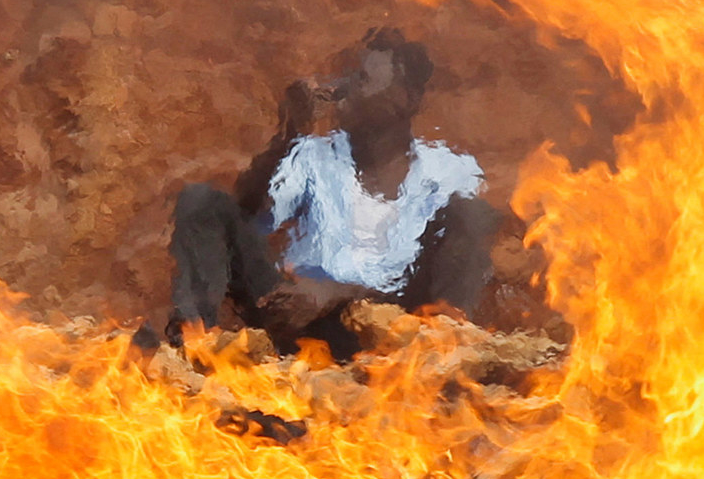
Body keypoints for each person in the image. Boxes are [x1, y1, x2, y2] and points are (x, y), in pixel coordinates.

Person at [167, 27, 499, 354]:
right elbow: (249, 214)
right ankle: (194, 348)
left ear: (405, 98)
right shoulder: (315, 154)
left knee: (471, 215)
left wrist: (337, 293)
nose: (341, 91)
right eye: (344, 79)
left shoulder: (446, 170)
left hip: (394, 330)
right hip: (303, 317)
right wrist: (289, 134)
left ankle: (448, 359)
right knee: (203, 202)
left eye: (361, 80)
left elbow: (445, 264)